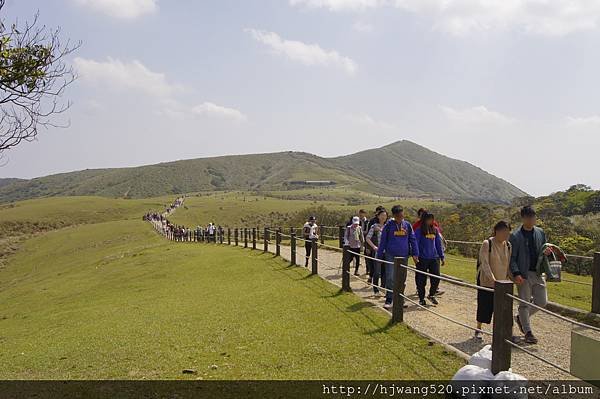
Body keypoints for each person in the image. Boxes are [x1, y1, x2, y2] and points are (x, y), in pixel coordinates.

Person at [509, 206, 551, 344]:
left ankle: (521, 319)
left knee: (542, 301)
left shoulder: (540, 232)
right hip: (523, 273)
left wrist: (547, 252)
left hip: (538, 272)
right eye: (529, 217)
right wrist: (516, 273)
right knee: (524, 303)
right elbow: (512, 257)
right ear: (523, 218)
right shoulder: (515, 236)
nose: (532, 220)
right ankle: (528, 332)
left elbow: (543, 248)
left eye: (533, 217)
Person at [474, 221, 512, 340]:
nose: (506, 235)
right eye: (503, 232)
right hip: (487, 281)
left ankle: (502, 334)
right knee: (484, 306)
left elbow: (508, 265)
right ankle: (478, 329)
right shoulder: (487, 243)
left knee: (502, 310)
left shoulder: (509, 245)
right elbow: (485, 263)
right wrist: (493, 280)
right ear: (497, 231)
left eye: (508, 232)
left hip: (502, 283)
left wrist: (512, 278)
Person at [377, 205, 419, 310]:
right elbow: (383, 241)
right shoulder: (388, 226)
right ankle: (389, 299)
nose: (400, 218)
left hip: (403, 255)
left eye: (402, 215)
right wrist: (379, 255)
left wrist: (415, 254)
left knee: (402, 278)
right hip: (390, 255)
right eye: (398, 216)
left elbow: (413, 240)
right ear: (394, 216)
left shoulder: (407, 225)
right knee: (390, 277)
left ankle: (400, 298)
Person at [414, 212, 445, 306]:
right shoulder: (419, 231)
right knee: (421, 280)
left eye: (432, 219)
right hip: (422, 258)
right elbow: (415, 243)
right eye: (429, 219)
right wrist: (415, 255)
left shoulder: (435, 230)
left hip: (434, 258)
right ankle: (421, 298)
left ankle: (431, 295)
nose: (431, 221)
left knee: (436, 277)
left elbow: (438, 244)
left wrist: (442, 256)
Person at [366, 209, 388, 295]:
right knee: (377, 271)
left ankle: (383, 287)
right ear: (378, 216)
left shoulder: (388, 226)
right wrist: (374, 247)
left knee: (385, 271)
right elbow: (367, 238)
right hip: (378, 252)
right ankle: (375, 289)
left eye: (385, 215)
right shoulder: (374, 226)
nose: (383, 217)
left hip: (387, 252)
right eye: (382, 215)